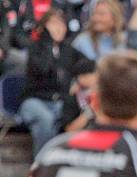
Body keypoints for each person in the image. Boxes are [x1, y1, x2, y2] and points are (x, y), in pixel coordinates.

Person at [19, 9, 87, 155]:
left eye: (61, 23)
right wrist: (48, 42)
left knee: (76, 116)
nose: (58, 28)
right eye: (53, 23)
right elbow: (44, 68)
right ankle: (42, 165)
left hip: (61, 101)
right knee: (46, 119)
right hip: (35, 100)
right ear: (43, 27)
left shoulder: (69, 50)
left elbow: (89, 66)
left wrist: (80, 81)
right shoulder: (35, 48)